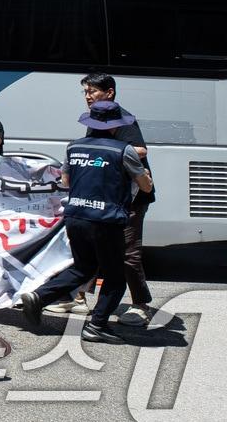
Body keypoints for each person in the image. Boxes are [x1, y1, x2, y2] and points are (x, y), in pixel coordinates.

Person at [19, 101, 154, 344]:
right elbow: (144, 185)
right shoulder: (124, 150)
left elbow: (66, 181)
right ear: (115, 126)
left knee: (83, 268)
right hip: (106, 220)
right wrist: (146, 180)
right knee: (114, 277)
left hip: (76, 217)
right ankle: (97, 325)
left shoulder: (74, 146)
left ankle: (38, 297)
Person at [46, 73, 156, 325]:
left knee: (128, 253)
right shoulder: (97, 118)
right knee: (91, 246)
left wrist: (109, 151)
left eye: (93, 91)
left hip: (129, 199)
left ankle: (140, 304)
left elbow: (140, 149)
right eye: (85, 92)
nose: (88, 96)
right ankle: (79, 298)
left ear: (110, 93)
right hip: (103, 198)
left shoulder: (121, 117)